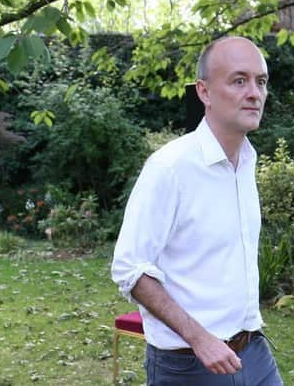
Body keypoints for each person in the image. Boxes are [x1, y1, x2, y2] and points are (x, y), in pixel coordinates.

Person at [111, 36, 283, 386]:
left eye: (260, 81)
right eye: (239, 81)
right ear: (204, 92)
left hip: (253, 351)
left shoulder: (246, 161)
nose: (254, 93)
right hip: (189, 365)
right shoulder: (170, 168)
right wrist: (200, 338)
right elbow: (129, 268)